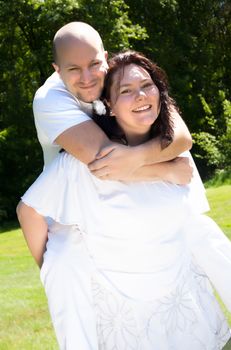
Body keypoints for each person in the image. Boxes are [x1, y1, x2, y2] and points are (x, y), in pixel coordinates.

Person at [20, 50, 231, 350]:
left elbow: (181, 147)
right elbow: (28, 211)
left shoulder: (174, 153)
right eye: (126, 91)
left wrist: (150, 164)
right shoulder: (78, 158)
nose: (141, 95)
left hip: (180, 305)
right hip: (125, 315)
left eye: (147, 86)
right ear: (110, 106)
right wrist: (54, 270)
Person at [17, 21, 207, 268]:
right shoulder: (50, 100)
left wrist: (138, 155)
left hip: (124, 205)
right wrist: (167, 170)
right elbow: (106, 162)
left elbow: (181, 137)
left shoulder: (118, 76)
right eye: (74, 68)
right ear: (57, 70)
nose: (87, 77)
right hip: (71, 214)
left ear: (104, 58)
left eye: (94, 64)